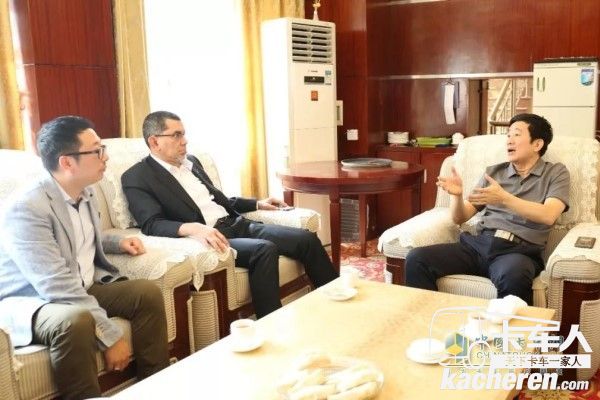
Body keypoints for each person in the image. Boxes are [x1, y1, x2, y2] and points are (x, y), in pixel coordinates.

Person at [0, 116, 170, 399]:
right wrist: (109, 336)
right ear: (67, 162)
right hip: (34, 299)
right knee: (75, 319)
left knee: (145, 293)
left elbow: (74, 236)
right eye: (97, 150)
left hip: (79, 286)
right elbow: (55, 284)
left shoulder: (84, 191)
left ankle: (154, 388)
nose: (106, 157)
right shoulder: (26, 208)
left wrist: (117, 242)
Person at [121, 111, 338, 318]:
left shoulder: (191, 163)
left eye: (184, 134)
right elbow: (151, 223)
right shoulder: (137, 176)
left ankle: (336, 302)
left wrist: (258, 204)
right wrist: (194, 228)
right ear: (154, 142)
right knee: (264, 250)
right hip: (213, 237)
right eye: (176, 135)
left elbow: (218, 200)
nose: (184, 141)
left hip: (238, 224)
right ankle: (270, 324)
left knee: (306, 239)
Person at [405, 113, 570, 305]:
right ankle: (430, 320)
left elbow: (549, 215)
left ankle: (507, 326)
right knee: (417, 259)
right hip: (478, 245)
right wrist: (457, 196)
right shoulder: (494, 172)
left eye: (516, 134)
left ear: (537, 144)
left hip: (517, 252)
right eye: (508, 135)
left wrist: (504, 198)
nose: (509, 140)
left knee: (514, 275)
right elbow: (460, 217)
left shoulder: (555, 173)